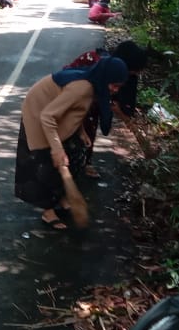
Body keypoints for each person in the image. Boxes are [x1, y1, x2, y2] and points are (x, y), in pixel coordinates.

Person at [15, 57, 129, 230]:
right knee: (46, 163)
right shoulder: (82, 88)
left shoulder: (93, 85)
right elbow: (47, 116)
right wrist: (56, 149)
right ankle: (48, 211)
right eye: (114, 85)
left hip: (51, 113)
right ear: (104, 78)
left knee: (73, 154)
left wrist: (81, 132)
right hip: (38, 111)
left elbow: (74, 109)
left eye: (119, 87)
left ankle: (60, 197)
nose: (115, 90)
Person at [62, 41, 150, 178]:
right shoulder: (96, 63)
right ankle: (66, 161)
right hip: (72, 97)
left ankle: (83, 161)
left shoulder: (123, 73)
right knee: (77, 127)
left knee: (89, 127)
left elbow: (117, 102)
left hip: (92, 102)